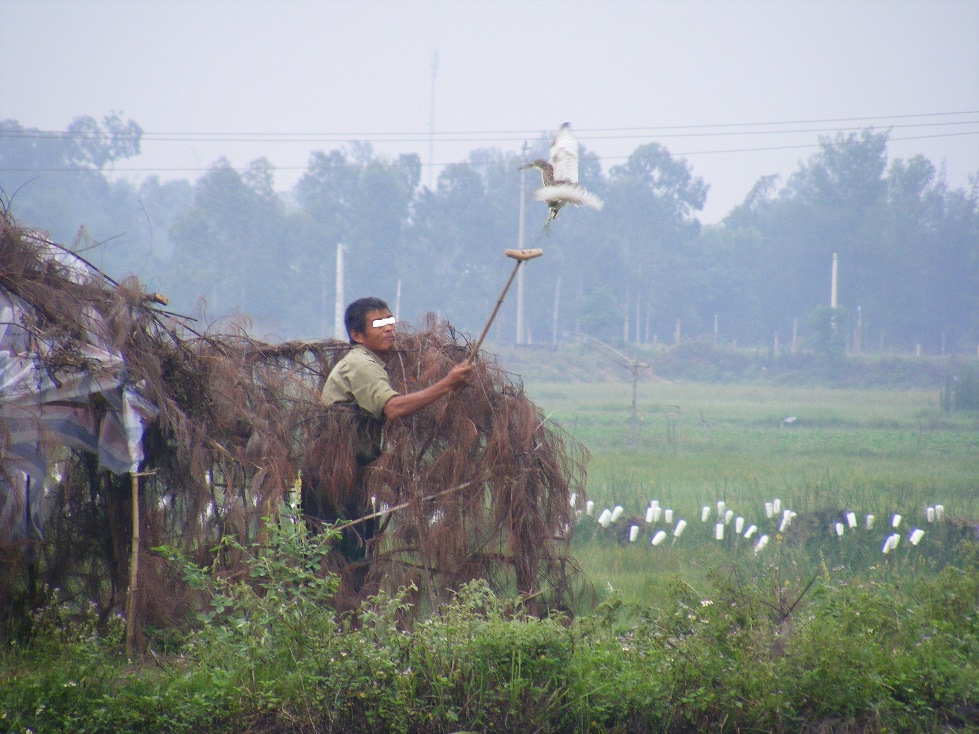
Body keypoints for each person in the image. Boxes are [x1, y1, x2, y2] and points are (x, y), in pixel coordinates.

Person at [317, 296, 473, 565]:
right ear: (357, 334)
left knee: (352, 558)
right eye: (378, 323)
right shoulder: (361, 364)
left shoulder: (369, 363)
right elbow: (392, 408)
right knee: (346, 563)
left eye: (390, 320)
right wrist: (447, 384)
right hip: (337, 478)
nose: (389, 328)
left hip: (348, 476)